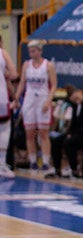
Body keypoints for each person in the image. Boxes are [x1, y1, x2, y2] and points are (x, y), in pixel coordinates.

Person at [11, 41, 57, 174]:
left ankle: (46, 162)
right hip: (29, 99)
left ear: (40, 51)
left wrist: (48, 101)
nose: (32, 53)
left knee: (43, 132)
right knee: (29, 133)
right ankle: (32, 161)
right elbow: (22, 83)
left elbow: (53, 85)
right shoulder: (26, 65)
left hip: (43, 98)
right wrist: (16, 98)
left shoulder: (48, 65)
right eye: (30, 51)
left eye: (34, 51)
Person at [0, 40, 15, 178]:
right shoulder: (3, 53)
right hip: (1, 98)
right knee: (4, 128)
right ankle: (2, 164)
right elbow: (14, 74)